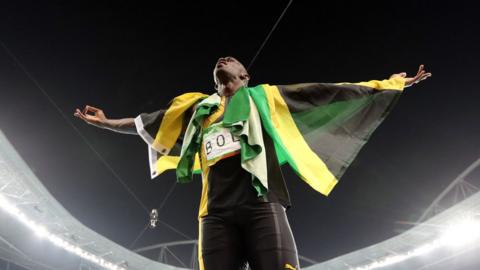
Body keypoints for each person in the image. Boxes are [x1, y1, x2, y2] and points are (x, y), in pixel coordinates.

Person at [74, 57, 431, 270]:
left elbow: (328, 91)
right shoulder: (199, 111)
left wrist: (389, 84)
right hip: (214, 214)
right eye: (218, 61)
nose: (222, 60)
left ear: (245, 76)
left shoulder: (265, 99)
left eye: (231, 59)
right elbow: (148, 122)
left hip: (262, 206)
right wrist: (106, 123)